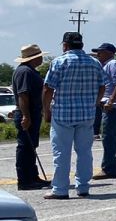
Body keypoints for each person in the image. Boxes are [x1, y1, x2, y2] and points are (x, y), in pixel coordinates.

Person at [41, 32, 107, 200]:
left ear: (65, 45)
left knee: (62, 153)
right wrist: (94, 102)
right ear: (82, 45)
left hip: (63, 114)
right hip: (86, 114)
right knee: (84, 152)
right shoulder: (94, 63)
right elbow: (102, 87)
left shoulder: (59, 62)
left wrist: (46, 110)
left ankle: (60, 189)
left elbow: (48, 88)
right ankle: (83, 186)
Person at [12, 44, 50, 190]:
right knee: (25, 147)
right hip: (27, 113)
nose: (41, 58)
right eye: (39, 56)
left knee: (31, 146)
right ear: (33, 58)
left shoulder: (29, 71)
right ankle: (24, 180)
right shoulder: (25, 72)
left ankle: (33, 176)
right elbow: (23, 95)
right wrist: (26, 116)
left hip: (32, 113)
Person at [93, 42, 116, 180]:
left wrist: (110, 100)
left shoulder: (113, 64)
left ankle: (108, 168)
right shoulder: (106, 66)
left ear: (108, 52)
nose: (98, 54)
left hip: (113, 107)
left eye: (100, 52)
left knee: (108, 137)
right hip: (115, 107)